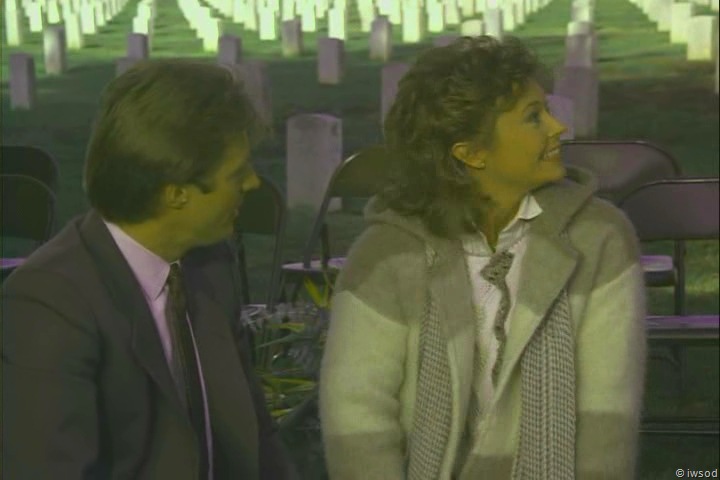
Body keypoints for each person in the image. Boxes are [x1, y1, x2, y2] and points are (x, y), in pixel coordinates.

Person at [319, 36, 647, 480]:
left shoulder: (599, 239)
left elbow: (607, 410)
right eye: (534, 116)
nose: (558, 127)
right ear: (471, 153)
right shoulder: (385, 256)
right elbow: (356, 413)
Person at [2, 59, 298, 480]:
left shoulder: (209, 264)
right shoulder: (51, 303)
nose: (252, 183)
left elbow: (253, 432)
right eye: (237, 172)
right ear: (176, 193)